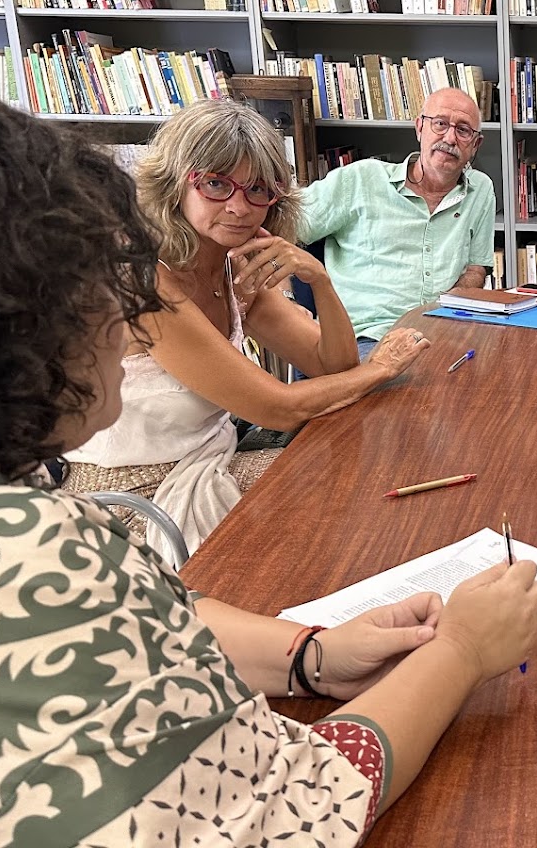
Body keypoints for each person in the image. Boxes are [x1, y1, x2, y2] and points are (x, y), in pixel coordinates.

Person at [0, 87, 537, 846]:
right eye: (105, 276)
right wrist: (463, 651)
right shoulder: (28, 562)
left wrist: (311, 657)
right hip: (159, 487)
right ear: (15, 317)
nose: (124, 313)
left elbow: (166, 615)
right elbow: (297, 810)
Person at [61, 99, 430, 562]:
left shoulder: (230, 268)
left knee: (359, 467)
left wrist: (319, 280)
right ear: (175, 185)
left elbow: (330, 364)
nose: (239, 207)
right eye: (216, 184)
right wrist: (380, 369)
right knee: (349, 492)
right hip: (134, 498)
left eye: (258, 189)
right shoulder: (145, 281)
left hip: (211, 460)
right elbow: (279, 409)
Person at [297, 87, 495, 354]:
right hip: (366, 337)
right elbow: (282, 226)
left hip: (442, 335)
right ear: (419, 128)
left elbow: (476, 268)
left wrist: (450, 309)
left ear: (475, 145)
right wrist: (286, 299)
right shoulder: (361, 179)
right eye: (440, 124)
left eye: (463, 130)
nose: (449, 137)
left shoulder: (480, 190)